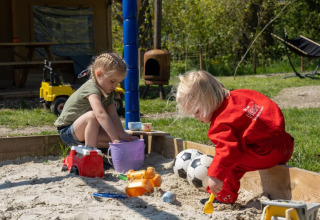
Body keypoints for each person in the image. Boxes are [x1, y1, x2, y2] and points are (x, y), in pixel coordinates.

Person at [176, 70, 294, 204]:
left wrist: (215, 175)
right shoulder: (240, 95)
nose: (195, 117)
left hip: (267, 154)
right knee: (240, 148)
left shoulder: (220, 124)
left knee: (231, 162)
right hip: (285, 144)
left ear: (208, 100)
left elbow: (228, 151)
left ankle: (223, 196)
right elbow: (266, 105)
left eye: (197, 111)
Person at [55, 52, 138, 148]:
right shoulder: (91, 88)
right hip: (68, 131)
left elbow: (113, 115)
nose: (115, 86)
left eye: (118, 82)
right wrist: (114, 138)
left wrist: (123, 135)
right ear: (99, 74)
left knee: (120, 139)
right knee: (93, 116)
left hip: (85, 130)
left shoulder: (108, 91)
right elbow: (100, 114)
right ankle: (90, 154)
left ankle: (91, 150)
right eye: (112, 81)